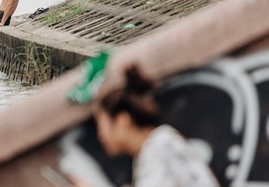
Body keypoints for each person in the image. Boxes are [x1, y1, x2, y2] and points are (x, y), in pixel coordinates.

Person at [90, 66, 220, 187]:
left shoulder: (161, 144)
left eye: (102, 125)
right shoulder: (150, 152)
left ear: (122, 120)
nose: (100, 135)